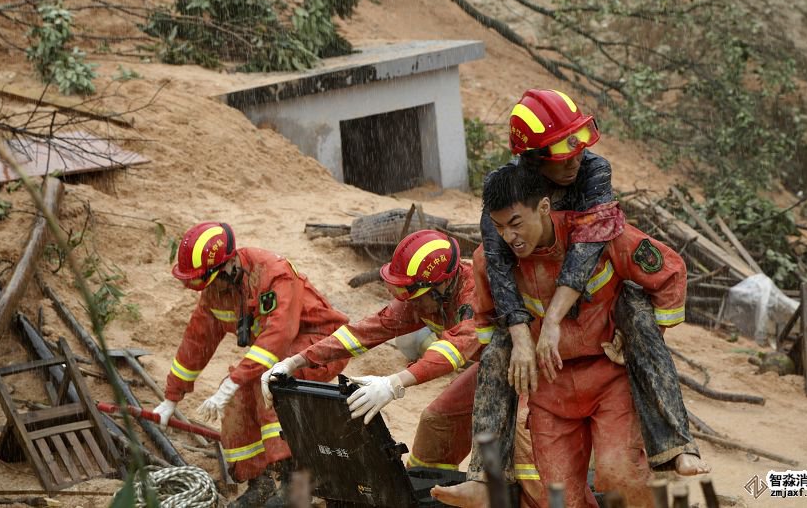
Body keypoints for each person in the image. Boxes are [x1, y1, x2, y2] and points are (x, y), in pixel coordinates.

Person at [433, 89, 705, 508]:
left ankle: (675, 443)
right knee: (500, 351)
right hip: (552, 374)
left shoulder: (594, 174)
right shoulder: (507, 197)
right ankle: (486, 476)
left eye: (578, 146)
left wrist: (563, 320)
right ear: (533, 158)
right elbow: (497, 265)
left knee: (639, 320)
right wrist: (520, 336)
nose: (575, 159)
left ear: (544, 208)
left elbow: (592, 242)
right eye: (562, 152)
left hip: (604, 322)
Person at [262, 230, 544, 507]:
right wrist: (297, 361)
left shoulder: (473, 294)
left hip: (535, 366)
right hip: (494, 369)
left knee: (526, 441)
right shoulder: (423, 299)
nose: (406, 300)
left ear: (442, 285)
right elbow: (364, 332)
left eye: (411, 292)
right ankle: (431, 495)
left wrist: (393, 383)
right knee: (437, 420)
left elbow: (453, 351)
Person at [478, 164, 688, 505]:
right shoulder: (492, 261)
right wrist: (515, 351)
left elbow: (670, 270)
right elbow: (485, 318)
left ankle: (677, 450)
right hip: (549, 389)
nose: (509, 236)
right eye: (499, 227)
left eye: (516, 223)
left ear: (544, 207)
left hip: (608, 379)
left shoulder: (598, 236)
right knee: (560, 497)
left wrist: (647, 335)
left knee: (619, 473)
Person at [153, 222, 349, 507]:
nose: (210, 290)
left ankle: (295, 483)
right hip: (277, 353)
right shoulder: (217, 290)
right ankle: (260, 482)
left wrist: (238, 379)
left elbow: (279, 335)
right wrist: (172, 397)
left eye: (212, 281)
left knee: (268, 384)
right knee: (236, 394)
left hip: (323, 346)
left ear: (229, 265)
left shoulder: (274, 273)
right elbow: (197, 342)